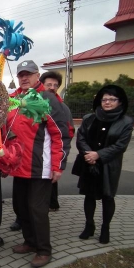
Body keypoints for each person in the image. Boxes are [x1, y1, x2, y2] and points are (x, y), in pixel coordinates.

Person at [6, 60, 70, 268]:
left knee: (37, 209)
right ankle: (30, 242)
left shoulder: (47, 98)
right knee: (20, 207)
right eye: (21, 75)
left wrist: (58, 166)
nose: (24, 78)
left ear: (37, 75)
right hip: (18, 165)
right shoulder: (14, 99)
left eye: (29, 74)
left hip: (39, 166)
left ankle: (44, 250)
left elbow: (61, 134)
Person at [74, 85, 133, 244]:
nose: (107, 102)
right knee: (89, 195)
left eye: (112, 99)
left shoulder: (126, 122)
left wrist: (98, 154)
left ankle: (105, 228)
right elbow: (81, 138)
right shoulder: (89, 118)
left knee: (107, 197)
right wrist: (88, 154)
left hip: (109, 166)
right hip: (89, 163)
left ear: (120, 102)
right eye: (104, 99)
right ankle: (89, 225)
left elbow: (121, 145)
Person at [40, 71, 75, 211]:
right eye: (49, 84)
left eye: (55, 85)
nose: (52, 87)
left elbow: (69, 130)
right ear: (42, 85)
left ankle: (51, 204)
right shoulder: (33, 103)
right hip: (35, 151)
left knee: (50, 179)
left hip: (52, 151)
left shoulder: (63, 107)